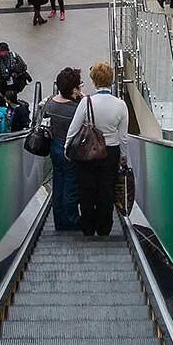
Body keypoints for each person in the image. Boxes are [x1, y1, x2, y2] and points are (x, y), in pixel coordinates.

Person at [66, 61, 131, 238]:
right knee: (106, 189)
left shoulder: (86, 102)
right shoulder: (120, 105)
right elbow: (123, 136)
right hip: (111, 151)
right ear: (110, 80)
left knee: (87, 189)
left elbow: (73, 129)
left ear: (94, 81)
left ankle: (87, 226)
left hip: (88, 151)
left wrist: (67, 148)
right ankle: (104, 227)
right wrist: (124, 156)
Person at [42, 67, 85, 232]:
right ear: (74, 89)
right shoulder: (75, 108)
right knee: (71, 185)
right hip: (71, 151)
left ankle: (59, 220)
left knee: (58, 182)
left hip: (54, 148)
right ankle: (71, 220)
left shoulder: (50, 104)